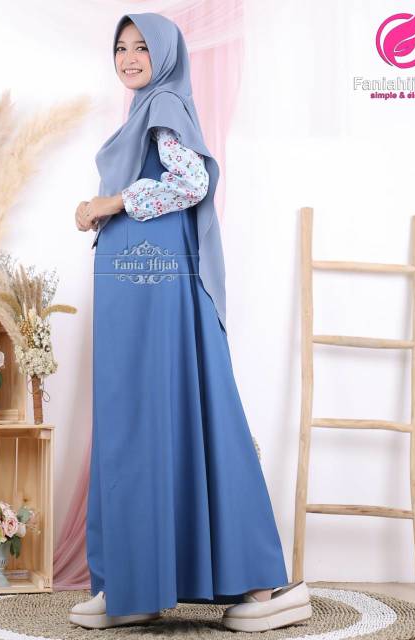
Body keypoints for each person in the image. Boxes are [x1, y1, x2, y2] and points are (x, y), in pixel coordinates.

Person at [70, 12, 312, 633]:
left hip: (160, 295)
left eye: (142, 47)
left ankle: (262, 586)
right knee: (136, 422)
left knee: (171, 414)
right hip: (138, 291)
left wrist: (111, 201)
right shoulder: (144, 111)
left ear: (167, 55)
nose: (129, 57)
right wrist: (98, 211)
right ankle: (135, 584)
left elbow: (192, 182)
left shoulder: (164, 106)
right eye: (121, 47)